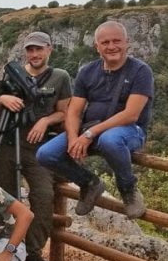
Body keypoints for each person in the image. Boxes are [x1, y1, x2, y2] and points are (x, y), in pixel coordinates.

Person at [37, 21, 153, 219]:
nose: (111, 46)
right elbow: (73, 111)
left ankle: (128, 189)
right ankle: (89, 183)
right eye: (105, 42)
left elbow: (131, 114)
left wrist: (90, 133)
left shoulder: (140, 71)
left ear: (127, 43)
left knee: (110, 139)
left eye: (117, 41)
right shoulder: (87, 72)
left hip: (128, 130)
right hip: (90, 130)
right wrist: (74, 138)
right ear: (97, 46)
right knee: (46, 154)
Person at [0, 33, 71, 261]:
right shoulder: (14, 74)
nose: (34, 55)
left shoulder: (60, 77)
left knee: (44, 195)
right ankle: (4, 248)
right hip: (7, 145)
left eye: (39, 50)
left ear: (49, 50)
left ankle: (33, 253)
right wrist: (4, 97)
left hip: (39, 149)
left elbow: (65, 113)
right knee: (7, 198)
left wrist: (45, 121)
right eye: (30, 50)